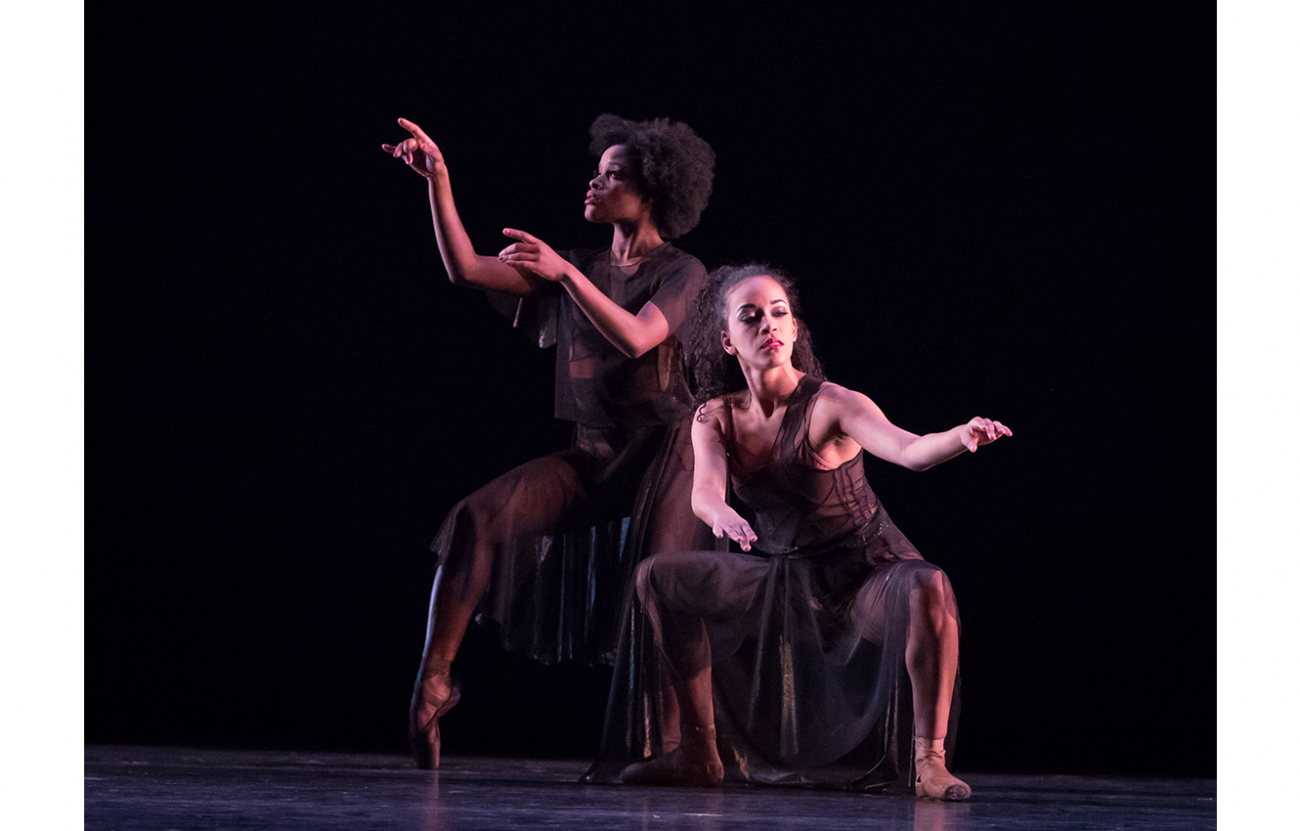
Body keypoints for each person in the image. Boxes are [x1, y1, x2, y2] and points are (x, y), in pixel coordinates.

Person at [582, 265, 1011, 799]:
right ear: (727, 341)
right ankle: (698, 751)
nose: (770, 325)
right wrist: (720, 516)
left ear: (794, 328)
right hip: (786, 577)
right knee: (660, 578)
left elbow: (909, 450)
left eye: (780, 313)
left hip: (862, 577)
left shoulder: (832, 404)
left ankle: (930, 762)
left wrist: (959, 436)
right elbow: (705, 493)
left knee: (929, 585)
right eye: (752, 316)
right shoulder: (714, 417)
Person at [381, 114, 718, 768]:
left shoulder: (683, 271)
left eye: (613, 175)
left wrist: (565, 274)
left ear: (652, 193)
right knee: (478, 517)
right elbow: (468, 269)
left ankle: (680, 743)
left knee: (659, 584)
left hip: (668, 457)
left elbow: (637, 337)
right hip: (596, 454)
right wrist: (438, 182)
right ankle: (434, 683)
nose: (594, 182)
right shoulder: (582, 264)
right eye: (598, 171)